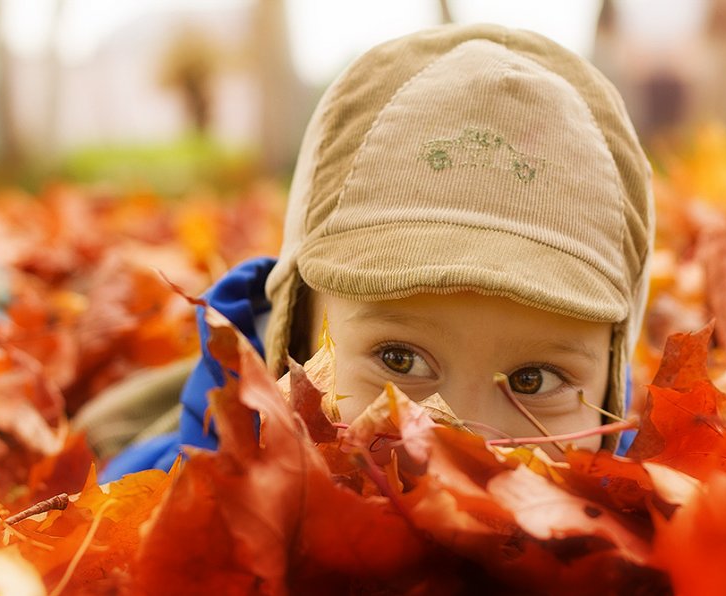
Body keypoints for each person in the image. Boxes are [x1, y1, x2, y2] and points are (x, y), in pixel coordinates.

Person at [96, 22, 654, 481]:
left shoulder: (669, 543)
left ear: (610, 382)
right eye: (398, 361)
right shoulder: (147, 511)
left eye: (534, 382)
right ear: (289, 334)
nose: (464, 447)